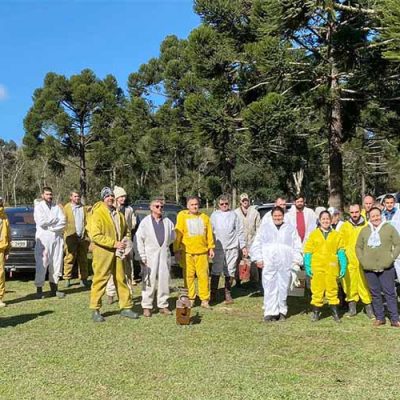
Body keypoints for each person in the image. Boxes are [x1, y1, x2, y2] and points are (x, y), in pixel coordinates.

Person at [88, 187, 138, 322]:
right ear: (103, 198)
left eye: (111, 196)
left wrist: (125, 242)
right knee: (100, 279)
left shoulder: (119, 214)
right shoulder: (97, 213)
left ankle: (126, 307)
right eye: (107, 196)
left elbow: (127, 231)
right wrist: (114, 243)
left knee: (121, 279)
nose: (110, 198)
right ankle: (95, 309)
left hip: (118, 253)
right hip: (103, 253)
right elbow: (96, 235)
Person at [251, 206, 302, 322]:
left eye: (280, 215)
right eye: (275, 216)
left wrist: (296, 261)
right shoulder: (264, 228)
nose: (278, 218)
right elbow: (257, 244)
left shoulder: (290, 228)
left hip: (285, 263)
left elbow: (297, 245)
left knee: (283, 287)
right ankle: (270, 312)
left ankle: (281, 311)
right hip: (269, 263)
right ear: (272, 216)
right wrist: (258, 258)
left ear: (283, 216)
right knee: (269, 287)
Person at [356, 207, 400, 327]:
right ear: (369, 217)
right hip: (369, 268)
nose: (375, 218)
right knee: (375, 293)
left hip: (386, 267)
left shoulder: (389, 228)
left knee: (390, 293)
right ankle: (380, 317)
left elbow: (398, 244)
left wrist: (391, 257)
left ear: (381, 215)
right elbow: (358, 247)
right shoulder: (365, 230)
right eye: (373, 216)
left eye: (377, 215)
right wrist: (362, 260)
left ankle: (394, 319)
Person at [304, 211, 347, 322]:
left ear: (331, 220)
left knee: (332, 290)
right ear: (319, 220)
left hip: (331, 267)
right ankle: (316, 313)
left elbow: (341, 251)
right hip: (317, 267)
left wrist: (343, 265)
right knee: (317, 290)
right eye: (323, 219)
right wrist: (307, 265)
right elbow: (308, 251)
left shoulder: (337, 235)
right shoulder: (313, 234)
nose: (325, 221)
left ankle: (335, 314)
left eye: (327, 218)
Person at [135, 199, 175, 317]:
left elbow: (172, 237)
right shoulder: (145, 222)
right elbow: (139, 239)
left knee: (164, 279)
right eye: (157, 206)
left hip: (164, 253)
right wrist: (141, 256)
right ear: (151, 208)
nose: (160, 208)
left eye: (162, 207)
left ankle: (163, 304)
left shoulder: (168, 222)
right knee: (149, 280)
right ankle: (147, 306)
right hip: (149, 254)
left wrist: (165, 246)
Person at [174, 196, 215, 309]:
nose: (194, 206)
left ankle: (204, 299)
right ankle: (190, 298)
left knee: (204, 276)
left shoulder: (205, 218)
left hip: (202, 253)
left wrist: (211, 248)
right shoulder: (182, 216)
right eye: (192, 204)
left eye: (196, 204)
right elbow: (178, 234)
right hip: (187, 253)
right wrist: (176, 249)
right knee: (188, 276)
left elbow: (209, 234)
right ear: (187, 206)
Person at [210, 195, 247, 304]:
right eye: (222, 204)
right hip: (218, 247)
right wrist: (210, 246)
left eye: (226, 204)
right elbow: (210, 231)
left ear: (229, 204)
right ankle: (213, 293)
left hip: (232, 247)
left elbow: (240, 231)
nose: (224, 206)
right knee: (216, 270)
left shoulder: (234, 215)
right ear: (218, 205)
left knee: (230, 270)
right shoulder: (214, 215)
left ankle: (227, 293)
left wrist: (243, 246)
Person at [339, 204, 373, 318]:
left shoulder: (367, 225)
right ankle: (352, 308)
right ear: (349, 213)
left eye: (356, 212)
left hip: (363, 259)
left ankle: (368, 307)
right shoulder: (344, 226)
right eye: (352, 212)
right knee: (349, 283)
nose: (354, 214)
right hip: (349, 260)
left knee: (365, 283)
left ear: (360, 211)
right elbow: (341, 243)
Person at [106, 186, 137, 303]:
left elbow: (133, 222)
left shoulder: (129, 209)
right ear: (116, 198)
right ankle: (111, 293)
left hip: (127, 240)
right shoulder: (112, 210)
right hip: (115, 242)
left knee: (128, 268)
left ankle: (129, 292)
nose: (123, 199)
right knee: (112, 268)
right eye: (120, 197)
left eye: (124, 196)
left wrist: (129, 227)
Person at [34, 187, 67, 299]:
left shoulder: (56, 207)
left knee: (57, 263)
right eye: (47, 194)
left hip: (57, 238)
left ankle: (54, 288)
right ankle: (39, 289)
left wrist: (52, 226)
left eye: (51, 194)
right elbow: (41, 222)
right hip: (43, 239)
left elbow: (63, 221)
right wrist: (54, 221)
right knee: (42, 264)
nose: (49, 196)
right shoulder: (39, 207)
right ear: (43, 195)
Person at [63, 190, 90, 288]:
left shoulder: (83, 208)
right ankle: (67, 278)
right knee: (69, 258)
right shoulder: (66, 208)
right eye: (75, 196)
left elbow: (87, 221)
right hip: (71, 237)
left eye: (78, 196)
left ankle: (83, 279)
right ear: (71, 197)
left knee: (83, 259)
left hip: (82, 237)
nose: (77, 198)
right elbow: (63, 222)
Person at [234, 193, 261, 285]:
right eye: (243, 200)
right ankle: (237, 280)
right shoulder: (235, 213)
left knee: (253, 262)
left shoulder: (255, 212)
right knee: (238, 261)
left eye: (246, 200)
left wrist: (257, 241)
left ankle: (254, 281)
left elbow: (258, 227)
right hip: (239, 242)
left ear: (249, 200)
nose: (245, 202)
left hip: (252, 241)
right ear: (240, 201)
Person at [0, 197, 11, 307]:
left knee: (0, 274)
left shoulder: (4, 217)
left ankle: (0, 298)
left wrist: (8, 250)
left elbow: (8, 234)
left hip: (1, 249)